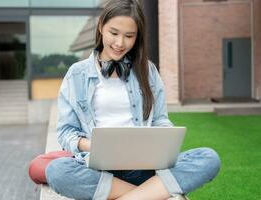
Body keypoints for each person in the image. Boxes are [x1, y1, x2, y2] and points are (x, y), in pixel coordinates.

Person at [41, 0, 221, 199]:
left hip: (145, 167)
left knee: (209, 158)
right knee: (57, 171)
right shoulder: (77, 74)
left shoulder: (148, 71)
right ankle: (151, 194)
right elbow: (66, 132)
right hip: (99, 171)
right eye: (114, 33)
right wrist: (95, 146)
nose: (120, 43)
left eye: (129, 36)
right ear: (101, 27)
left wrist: (163, 141)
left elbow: (160, 120)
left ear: (138, 37)